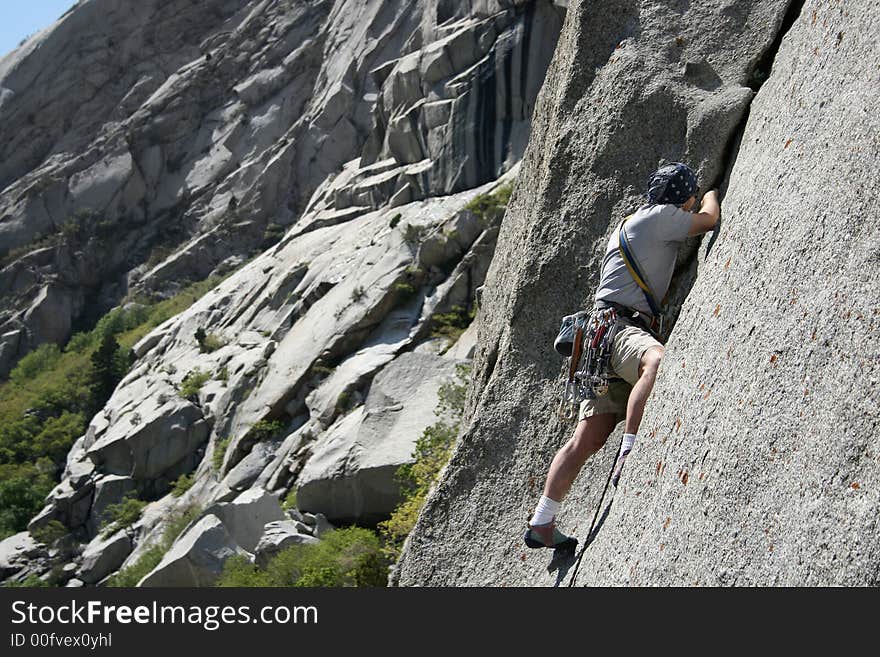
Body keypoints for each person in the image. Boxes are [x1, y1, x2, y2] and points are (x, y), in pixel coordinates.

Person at [524, 162, 721, 550]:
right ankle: (629, 452)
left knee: (586, 438)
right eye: (689, 196)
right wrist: (711, 194)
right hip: (619, 330)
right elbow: (709, 220)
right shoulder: (663, 216)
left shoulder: (630, 222)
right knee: (656, 360)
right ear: (681, 197)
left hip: (597, 339)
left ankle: (542, 521)